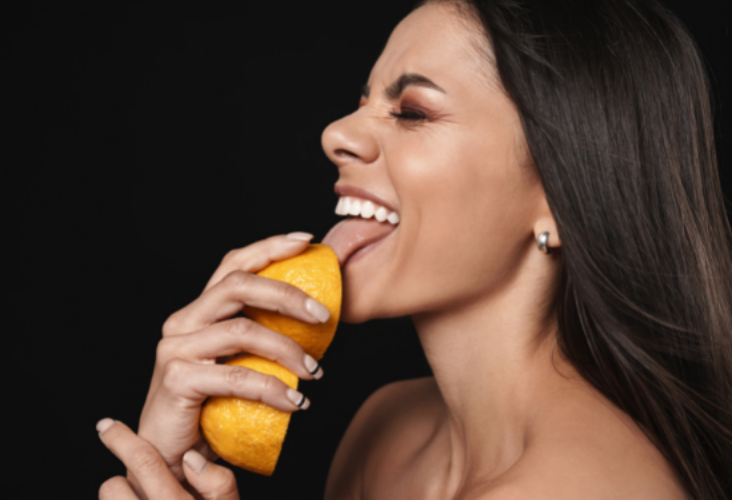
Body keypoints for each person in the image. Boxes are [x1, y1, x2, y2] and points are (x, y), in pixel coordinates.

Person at [95, 0, 732, 498]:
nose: (335, 134)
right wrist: (172, 472)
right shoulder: (385, 431)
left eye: (413, 112)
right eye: (362, 102)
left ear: (562, 198)